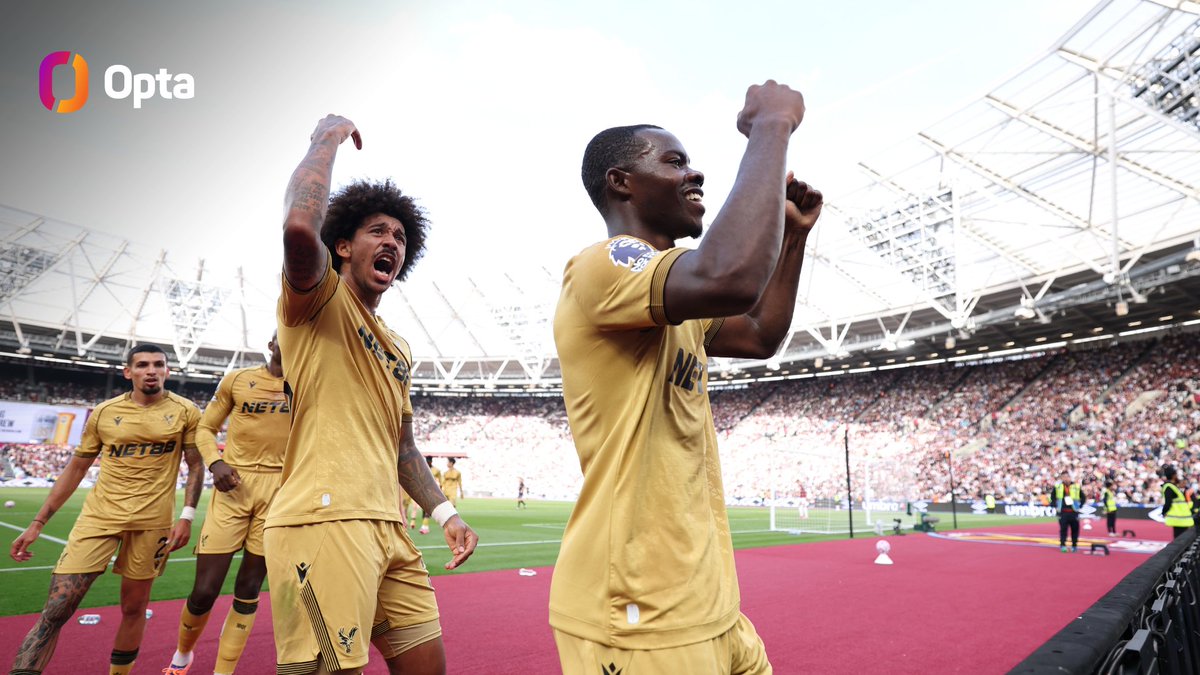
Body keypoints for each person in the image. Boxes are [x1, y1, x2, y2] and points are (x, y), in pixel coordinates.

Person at [551, 80, 821, 674]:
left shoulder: (675, 302)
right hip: (637, 608)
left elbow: (757, 334)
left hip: (708, 601)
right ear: (621, 181)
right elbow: (728, 276)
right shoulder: (605, 265)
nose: (695, 174)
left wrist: (794, 235)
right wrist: (771, 125)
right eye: (674, 162)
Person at [267, 114, 478, 675]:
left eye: (401, 237)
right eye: (378, 231)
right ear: (341, 244)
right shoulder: (317, 300)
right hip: (324, 521)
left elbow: (403, 446)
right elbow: (296, 228)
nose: (392, 242)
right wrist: (326, 139)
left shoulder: (399, 348)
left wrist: (445, 511)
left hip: (391, 527)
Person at [8, 344, 203, 675]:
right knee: (57, 607)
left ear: (168, 371)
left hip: (152, 523)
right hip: (99, 518)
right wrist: (38, 522)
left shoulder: (186, 411)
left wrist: (186, 516)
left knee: (134, 607)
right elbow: (75, 468)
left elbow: (196, 464)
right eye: (142, 365)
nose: (151, 370)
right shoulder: (104, 412)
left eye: (159, 364)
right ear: (128, 372)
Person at [165, 334, 289, 675]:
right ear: (271, 343)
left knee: (249, 587)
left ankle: (223, 671)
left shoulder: (311, 383)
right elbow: (206, 428)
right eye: (285, 334)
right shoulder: (237, 379)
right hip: (233, 488)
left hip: (280, 493)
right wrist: (215, 463)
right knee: (204, 591)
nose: (292, 339)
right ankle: (182, 655)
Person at [1052, 471, 1083, 553]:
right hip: (1063, 513)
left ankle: (1074, 546)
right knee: (1063, 530)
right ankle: (1063, 545)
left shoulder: (1076, 486)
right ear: (1061, 478)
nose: (1066, 478)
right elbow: (1053, 497)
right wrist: (1055, 506)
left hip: (1074, 512)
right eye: (1064, 477)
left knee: (1075, 530)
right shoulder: (1058, 486)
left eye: (1067, 477)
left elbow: (1083, 497)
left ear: (1070, 477)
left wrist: (1080, 506)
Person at [1161, 465, 1193, 539]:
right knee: (1181, 540)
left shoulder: (1172, 486)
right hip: (1180, 518)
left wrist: (1164, 512)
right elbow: (1168, 503)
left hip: (1180, 518)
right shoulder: (1170, 487)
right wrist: (1164, 512)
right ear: (1173, 475)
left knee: (1181, 540)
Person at [418, 456, 444, 534]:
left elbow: (440, 480)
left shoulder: (436, 470)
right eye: (426, 461)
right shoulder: (423, 469)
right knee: (424, 509)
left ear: (431, 461)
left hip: (432, 491)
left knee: (428, 509)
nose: (428, 462)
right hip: (423, 491)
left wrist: (440, 490)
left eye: (429, 461)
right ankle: (426, 525)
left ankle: (425, 527)